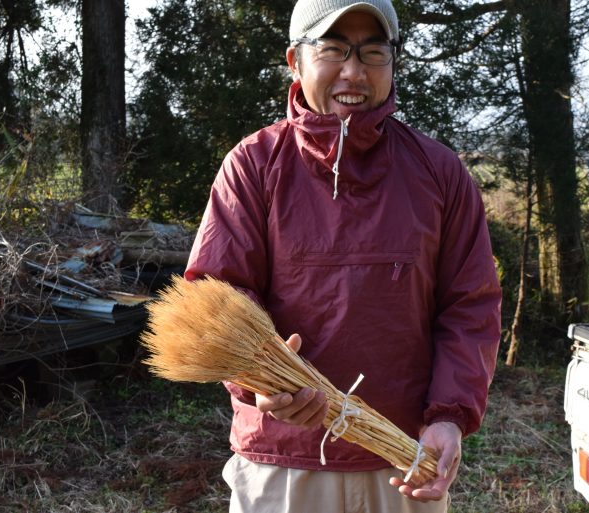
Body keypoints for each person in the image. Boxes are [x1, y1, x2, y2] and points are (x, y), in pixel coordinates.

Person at [184, 0, 502, 511]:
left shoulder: (439, 172)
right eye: (333, 49)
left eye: (373, 52)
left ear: (393, 62)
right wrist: (260, 384)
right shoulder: (254, 165)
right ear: (295, 60)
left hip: (404, 460)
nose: (354, 72)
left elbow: (470, 306)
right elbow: (216, 299)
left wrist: (449, 416)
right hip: (284, 459)